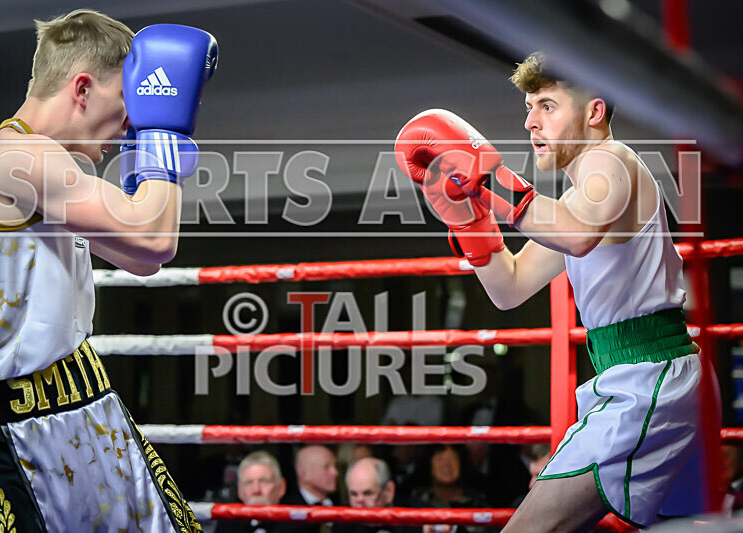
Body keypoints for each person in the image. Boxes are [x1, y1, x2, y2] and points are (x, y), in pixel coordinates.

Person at [395, 51, 707, 531]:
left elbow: (576, 233)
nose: (530, 122)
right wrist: (471, 220)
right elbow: (510, 287)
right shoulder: (577, 202)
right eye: (527, 107)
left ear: (594, 112)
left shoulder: (613, 161)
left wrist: (488, 180)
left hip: (649, 382)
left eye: (546, 105)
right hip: (643, 377)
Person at [0, 9, 217, 531]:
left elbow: (142, 258)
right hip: (8, 427)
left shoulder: (54, 165)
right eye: (125, 107)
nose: (128, 126)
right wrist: (163, 130)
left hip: (89, 406)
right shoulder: (8, 157)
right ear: (83, 88)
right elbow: (153, 236)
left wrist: (154, 144)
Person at [334, 457, 421, 533]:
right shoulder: (342, 524)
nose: (360, 501)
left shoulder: (414, 520)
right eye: (353, 494)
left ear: (388, 491)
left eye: (368, 493)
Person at [215, 451, 287, 533]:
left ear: (281, 487)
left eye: (264, 481)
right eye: (249, 482)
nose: (256, 490)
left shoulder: (299, 526)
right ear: (240, 490)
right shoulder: (227, 526)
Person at [282, 445, 339, 533]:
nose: (335, 472)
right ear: (303, 473)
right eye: (326, 467)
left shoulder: (340, 505)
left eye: (335, 466)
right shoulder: (286, 511)